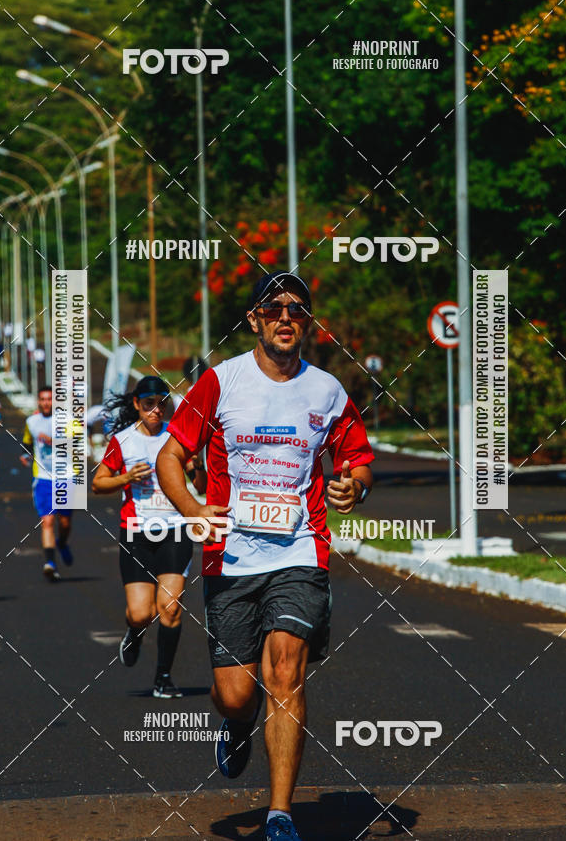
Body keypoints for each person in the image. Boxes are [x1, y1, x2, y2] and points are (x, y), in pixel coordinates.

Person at [156, 271, 374, 841]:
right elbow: (172, 457)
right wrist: (192, 508)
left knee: (286, 671)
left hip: (301, 550)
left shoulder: (327, 390)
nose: (285, 317)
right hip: (230, 558)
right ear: (254, 319)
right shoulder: (220, 383)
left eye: (297, 310)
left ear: (307, 322)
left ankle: (281, 813)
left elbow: (357, 457)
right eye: (273, 308)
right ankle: (236, 725)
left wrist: (356, 487)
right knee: (236, 693)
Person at [92, 376, 207, 699]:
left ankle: (163, 677)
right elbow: (98, 484)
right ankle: (135, 632)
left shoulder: (178, 437)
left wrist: (195, 465)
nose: (155, 410)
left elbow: (201, 485)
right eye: (148, 404)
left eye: (161, 404)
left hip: (175, 529)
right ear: (136, 405)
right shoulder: (123, 441)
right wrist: (127, 476)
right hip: (137, 533)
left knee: (169, 608)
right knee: (142, 613)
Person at [20, 386, 74, 581]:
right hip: (43, 478)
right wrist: (26, 456)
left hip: (66, 476)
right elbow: (27, 442)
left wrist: (54, 441)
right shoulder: (31, 422)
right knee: (48, 521)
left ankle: (62, 543)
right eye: (42, 399)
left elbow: (76, 443)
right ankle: (50, 563)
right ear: (38, 401)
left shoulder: (67, 420)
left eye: (49, 399)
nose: (46, 402)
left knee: (65, 522)